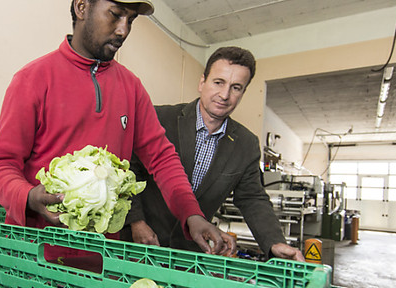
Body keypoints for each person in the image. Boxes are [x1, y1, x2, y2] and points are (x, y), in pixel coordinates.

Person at [0, 0, 234, 269]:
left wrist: (191, 214)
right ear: (81, 7)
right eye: (115, 15)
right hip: (34, 254)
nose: (123, 30)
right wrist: (29, 197)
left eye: (131, 20)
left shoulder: (131, 87)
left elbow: (162, 158)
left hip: (102, 258)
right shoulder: (33, 79)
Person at [125, 46, 304, 261]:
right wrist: (136, 221)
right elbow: (128, 171)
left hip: (190, 253)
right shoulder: (160, 118)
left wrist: (274, 242)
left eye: (236, 87)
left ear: (243, 93)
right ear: (202, 82)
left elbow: (252, 198)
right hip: (137, 242)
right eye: (218, 82)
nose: (225, 95)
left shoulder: (246, 144)